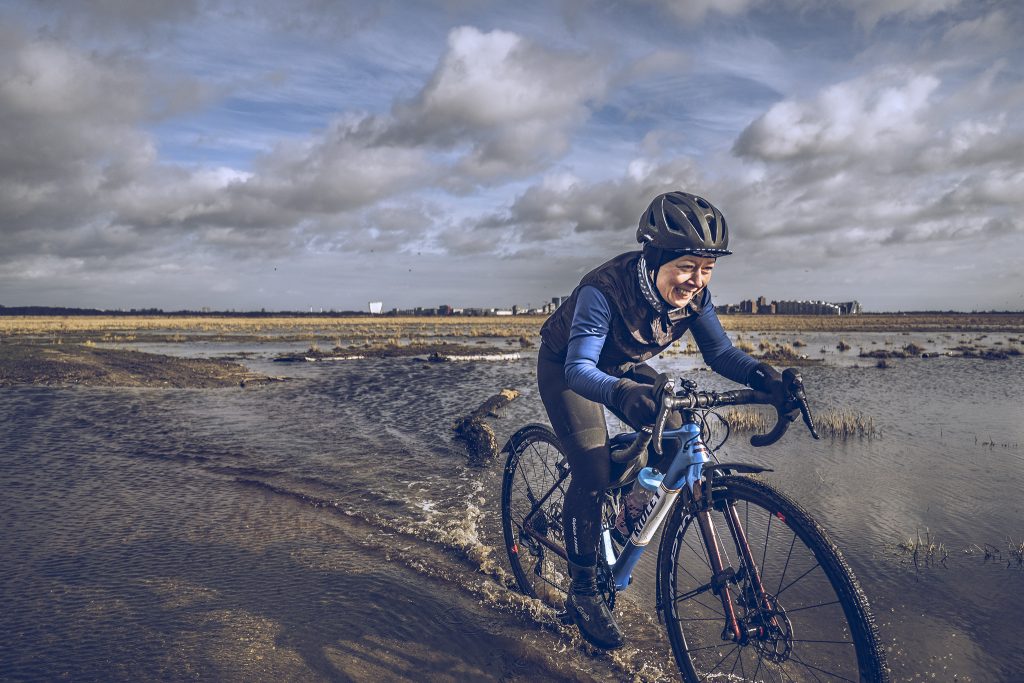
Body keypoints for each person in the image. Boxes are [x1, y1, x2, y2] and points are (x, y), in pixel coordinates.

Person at [537, 191, 789, 650]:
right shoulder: (605, 290)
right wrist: (620, 391)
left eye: (708, 268)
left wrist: (762, 376)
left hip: (624, 365)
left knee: (676, 441)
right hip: (568, 368)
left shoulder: (695, 298)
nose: (697, 280)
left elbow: (719, 353)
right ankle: (583, 590)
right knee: (592, 474)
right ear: (655, 258)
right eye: (688, 266)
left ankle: (623, 512)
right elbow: (579, 368)